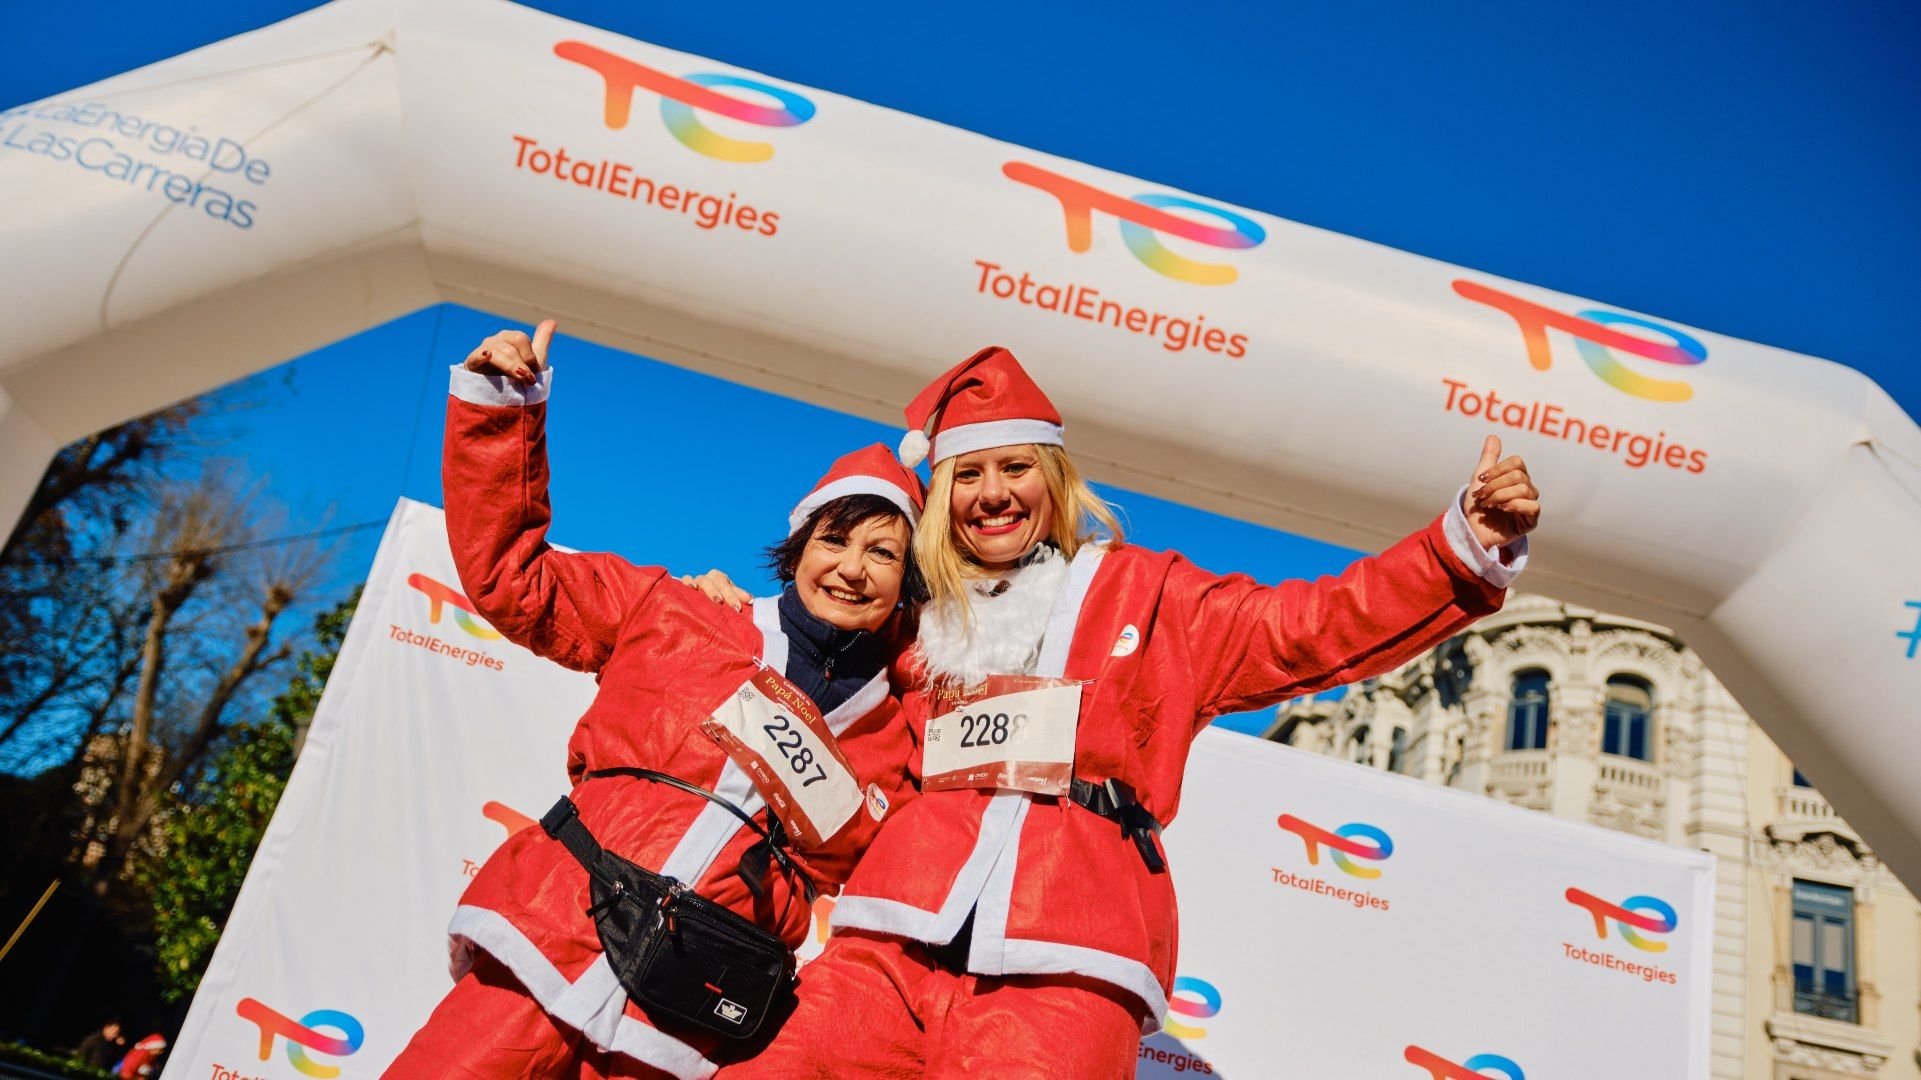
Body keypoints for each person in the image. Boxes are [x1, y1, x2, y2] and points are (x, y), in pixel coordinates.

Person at [712, 346, 1539, 1078]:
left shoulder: (1149, 594)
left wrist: (1455, 547)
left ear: (1055, 478)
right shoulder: (920, 627)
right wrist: (718, 615)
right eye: (967, 474)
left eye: (1015, 467)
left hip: (1066, 961)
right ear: (940, 498)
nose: (992, 493)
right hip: (888, 946)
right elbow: (812, 675)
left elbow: (1310, 627)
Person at [384, 320, 926, 1080]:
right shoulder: (683, 613)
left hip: (686, 1013)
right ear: (797, 549)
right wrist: (501, 413)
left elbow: (880, 872)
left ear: (911, 582)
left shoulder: (896, 731)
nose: (852, 569)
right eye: (834, 541)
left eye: (884, 553)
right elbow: (517, 580)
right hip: (551, 935)